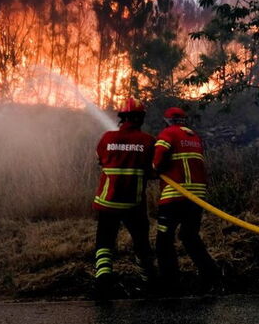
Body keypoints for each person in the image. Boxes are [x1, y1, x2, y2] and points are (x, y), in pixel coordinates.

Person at [92, 97, 157, 298]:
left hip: (107, 202)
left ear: (122, 117)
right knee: (141, 242)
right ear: (141, 118)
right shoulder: (148, 141)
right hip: (133, 204)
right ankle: (150, 282)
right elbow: (153, 170)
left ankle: (103, 280)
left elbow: (100, 161)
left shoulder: (107, 138)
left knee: (104, 241)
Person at [153, 107, 220, 292]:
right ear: (184, 120)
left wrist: (153, 169)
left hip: (174, 195)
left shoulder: (167, 134)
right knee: (189, 236)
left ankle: (170, 282)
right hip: (197, 196)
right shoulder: (194, 137)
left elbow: (157, 160)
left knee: (164, 240)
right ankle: (211, 273)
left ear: (167, 120)